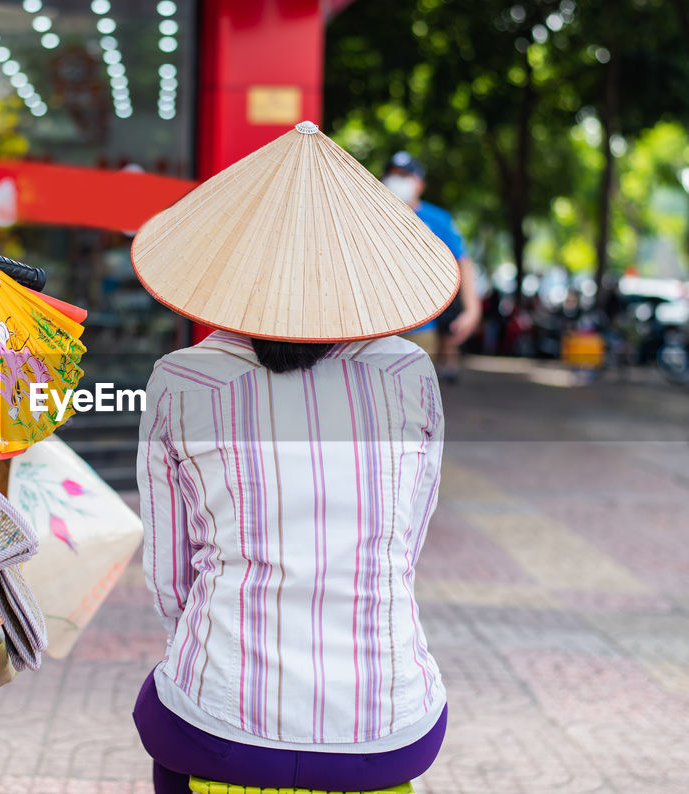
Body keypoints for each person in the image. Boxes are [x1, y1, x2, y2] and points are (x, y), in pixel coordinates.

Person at [129, 122, 454, 794]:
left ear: (232, 267)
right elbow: (402, 549)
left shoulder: (181, 379)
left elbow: (169, 582)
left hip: (221, 728)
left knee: (165, 717)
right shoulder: (410, 375)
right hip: (385, 730)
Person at [382, 150, 481, 381]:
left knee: (416, 392)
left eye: (405, 175)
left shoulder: (438, 219)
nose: (398, 180)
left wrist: (472, 310)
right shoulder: (371, 215)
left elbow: (463, 263)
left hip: (422, 326)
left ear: (420, 184)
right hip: (376, 327)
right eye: (393, 174)